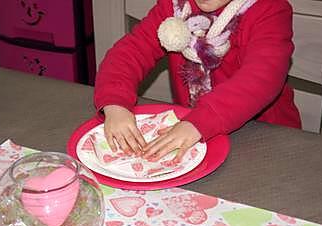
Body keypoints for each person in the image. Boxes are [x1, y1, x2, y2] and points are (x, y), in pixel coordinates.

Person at [94, 0, 301, 163]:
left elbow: (261, 78)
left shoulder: (270, 11)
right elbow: (132, 51)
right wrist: (115, 103)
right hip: (196, 129)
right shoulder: (174, 6)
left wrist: (201, 121)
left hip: (263, 135)